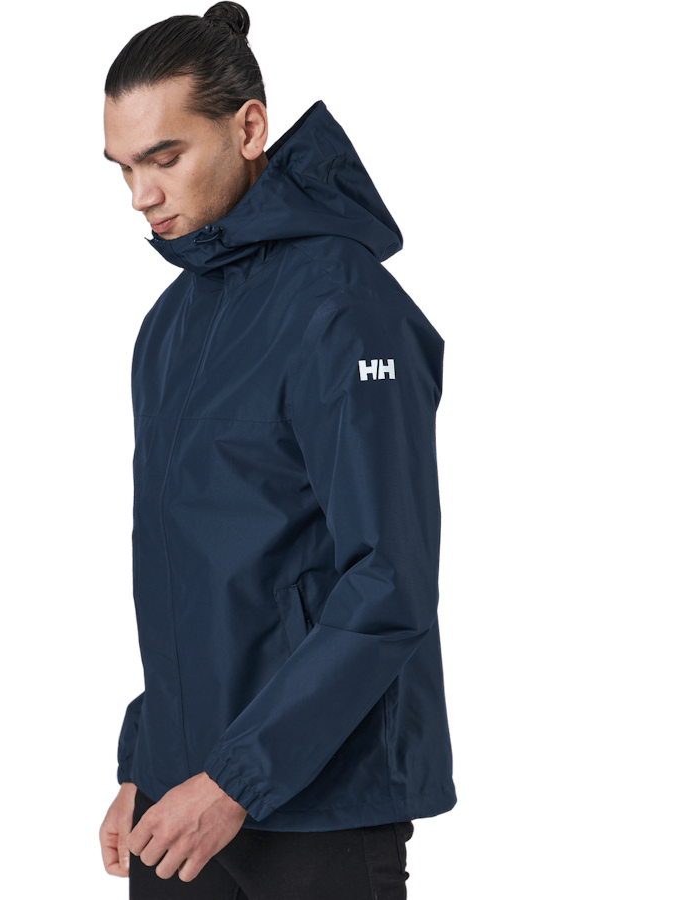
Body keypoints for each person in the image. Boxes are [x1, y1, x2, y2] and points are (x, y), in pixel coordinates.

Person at [96, 3, 458, 897]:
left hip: (321, 804)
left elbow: (389, 580)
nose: (142, 196)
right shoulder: (168, 327)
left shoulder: (347, 310)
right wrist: (145, 762)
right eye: (124, 168)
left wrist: (237, 781)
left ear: (250, 128)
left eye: (165, 158)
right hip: (182, 800)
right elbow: (189, 576)